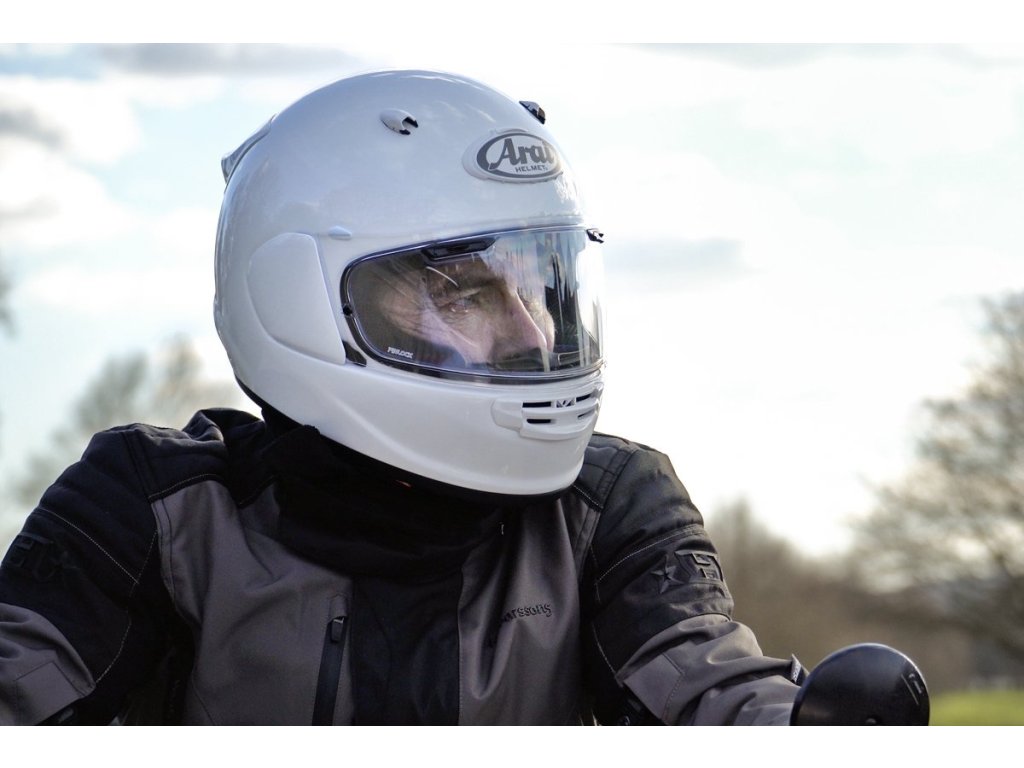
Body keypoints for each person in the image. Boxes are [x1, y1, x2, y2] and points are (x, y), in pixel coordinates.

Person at [0, 69, 807, 725]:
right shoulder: (158, 514)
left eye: (539, 287)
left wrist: (811, 727)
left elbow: (704, 682)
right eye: (463, 292)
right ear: (299, 301)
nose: (532, 334)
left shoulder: (605, 508)